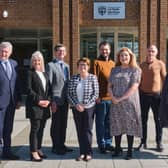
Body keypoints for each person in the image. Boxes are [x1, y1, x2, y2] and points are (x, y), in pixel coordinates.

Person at [108, 47, 142, 160]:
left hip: (129, 103)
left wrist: (120, 98)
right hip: (115, 103)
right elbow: (109, 86)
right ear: (119, 57)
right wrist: (112, 97)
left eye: (126, 55)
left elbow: (134, 87)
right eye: (122, 55)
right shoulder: (114, 69)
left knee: (129, 126)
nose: (124, 57)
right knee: (117, 125)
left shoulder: (135, 70)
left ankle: (129, 151)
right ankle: (117, 149)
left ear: (131, 56)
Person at [67, 57, 99, 161]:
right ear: (77, 67)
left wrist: (85, 105)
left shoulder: (93, 78)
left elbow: (95, 94)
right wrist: (76, 104)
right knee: (79, 130)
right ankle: (82, 152)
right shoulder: (73, 78)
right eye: (80, 65)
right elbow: (69, 93)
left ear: (88, 67)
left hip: (89, 108)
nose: (83, 67)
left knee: (87, 130)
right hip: (76, 108)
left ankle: (88, 152)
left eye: (85, 65)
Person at [137, 45, 166, 152]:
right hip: (143, 96)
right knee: (143, 120)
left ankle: (159, 142)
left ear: (156, 53)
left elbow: (165, 80)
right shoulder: (142, 65)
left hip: (157, 97)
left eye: (153, 51)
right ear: (146, 52)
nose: (150, 53)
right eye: (149, 51)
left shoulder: (160, 64)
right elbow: (138, 81)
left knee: (158, 120)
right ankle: (143, 142)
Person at [46, 43, 72, 155]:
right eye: (59, 51)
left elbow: (68, 83)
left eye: (63, 51)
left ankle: (62, 144)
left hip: (65, 100)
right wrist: (52, 101)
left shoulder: (67, 66)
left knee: (64, 123)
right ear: (55, 52)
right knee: (56, 124)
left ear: (65, 53)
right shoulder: (50, 65)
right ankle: (55, 146)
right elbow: (48, 85)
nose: (61, 53)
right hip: (56, 100)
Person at [25, 51, 51, 162]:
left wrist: (48, 100)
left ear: (42, 61)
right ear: (32, 62)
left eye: (39, 60)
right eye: (34, 60)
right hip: (35, 106)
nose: (37, 62)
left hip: (45, 106)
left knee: (41, 129)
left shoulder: (45, 74)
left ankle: (39, 149)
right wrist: (39, 101)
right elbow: (28, 90)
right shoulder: (29, 73)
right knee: (35, 129)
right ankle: (33, 152)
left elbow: (49, 90)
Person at [92, 41, 115, 154]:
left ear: (110, 50)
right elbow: (94, 81)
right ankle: (101, 144)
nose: (104, 51)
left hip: (111, 99)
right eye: (102, 49)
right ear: (99, 50)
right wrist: (96, 96)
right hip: (101, 99)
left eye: (106, 49)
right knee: (100, 123)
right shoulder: (96, 62)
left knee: (109, 122)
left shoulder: (113, 63)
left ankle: (108, 143)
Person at [0, 41, 21, 160]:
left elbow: (16, 83)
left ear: (10, 52)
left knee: (8, 129)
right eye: (2, 51)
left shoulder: (14, 64)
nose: (3, 53)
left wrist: (18, 100)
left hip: (11, 103)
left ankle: (7, 152)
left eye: (6, 51)